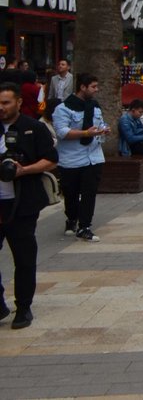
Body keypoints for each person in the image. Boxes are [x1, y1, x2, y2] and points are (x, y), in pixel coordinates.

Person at [0, 81, 59, 329]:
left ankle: (23, 307)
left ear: (19, 103)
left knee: (24, 258)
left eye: (6, 103)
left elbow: (52, 160)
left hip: (22, 204)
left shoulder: (33, 128)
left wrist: (24, 170)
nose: (1, 108)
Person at [52, 73, 108, 242]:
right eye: (93, 87)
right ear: (82, 87)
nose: (96, 90)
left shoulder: (95, 106)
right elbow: (62, 132)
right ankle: (71, 219)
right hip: (71, 159)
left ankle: (85, 226)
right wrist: (85, 133)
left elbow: (99, 125)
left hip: (93, 157)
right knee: (71, 193)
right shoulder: (63, 109)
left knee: (89, 193)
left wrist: (104, 130)